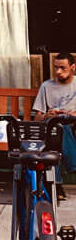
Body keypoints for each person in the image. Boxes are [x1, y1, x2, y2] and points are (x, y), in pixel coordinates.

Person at [32, 52, 76, 200]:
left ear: (73, 67)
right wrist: (46, 115)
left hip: (73, 124)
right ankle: (73, 167)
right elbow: (37, 117)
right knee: (57, 129)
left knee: (61, 129)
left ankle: (56, 185)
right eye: (56, 68)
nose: (58, 72)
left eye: (63, 68)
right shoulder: (47, 86)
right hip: (54, 125)